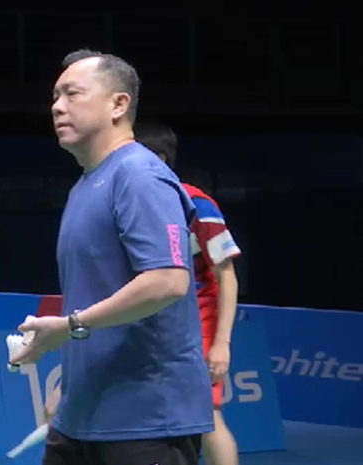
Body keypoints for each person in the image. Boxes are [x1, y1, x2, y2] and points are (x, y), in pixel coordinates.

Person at [10, 49, 213, 465]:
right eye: (54, 96)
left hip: (145, 420)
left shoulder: (139, 176)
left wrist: (69, 327)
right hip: (83, 412)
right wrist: (71, 382)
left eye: (72, 94)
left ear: (119, 104)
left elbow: (168, 280)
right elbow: (99, 293)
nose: (57, 106)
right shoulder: (87, 184)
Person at [137, 121, 242, 465]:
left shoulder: (199, 205)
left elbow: (226, 276)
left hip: (199, 321)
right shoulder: (129, 203)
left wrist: (221, 343)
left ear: (160, 158)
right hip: (148, 323)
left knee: (207, 416)